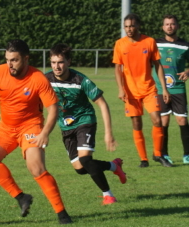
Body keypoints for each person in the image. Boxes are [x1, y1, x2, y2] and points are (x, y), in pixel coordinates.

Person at [0, 39, 72, 224]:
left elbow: (53, 108)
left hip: (30, 126)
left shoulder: (38, 78)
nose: (10, 64)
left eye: (14, 60)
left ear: (25, 58)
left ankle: (62, 213)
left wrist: (45, 132)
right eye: (7, 59)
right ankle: (21, 197)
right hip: (6, 127)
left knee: (36, 167)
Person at [45, 43, 126, 205]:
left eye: (60, 62)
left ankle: (108, 195)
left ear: (68, 61)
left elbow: (102, 104)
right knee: (81, 169)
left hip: (85, 121)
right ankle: (113, 166)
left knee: (85, 161)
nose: (57, 66)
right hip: (66, 127)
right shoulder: (45, 79)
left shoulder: (80, 80)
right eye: (53, 62)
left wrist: (108, 133)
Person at [112, 13, 171, 168]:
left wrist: (164, 89)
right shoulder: (120, 44)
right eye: (126, 26)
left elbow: (158, 66)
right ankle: (143, 159)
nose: (129, 29)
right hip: (130, 92)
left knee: (157, 119)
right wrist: (120, 89)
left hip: (149, 89)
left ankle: (158, 154)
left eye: (132, 26)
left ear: (138, 26)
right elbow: (117, 69)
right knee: (136, 123)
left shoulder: (149, 41)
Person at [152, 15, 189, 165]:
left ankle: (187, 155)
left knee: (182, 120)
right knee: (164, 121)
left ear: (177, 26)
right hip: (160, 89)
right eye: (167, 24)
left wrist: (188, 72)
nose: (169, 27)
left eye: (172, 24)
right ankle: (164, 154)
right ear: (163, 27)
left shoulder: (185, 45)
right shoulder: (155, 44)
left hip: (178, 88)